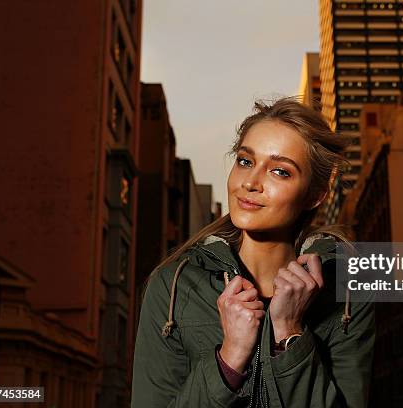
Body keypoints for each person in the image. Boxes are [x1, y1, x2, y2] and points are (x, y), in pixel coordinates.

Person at [131, 97, 375, 408]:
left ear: (315, 195)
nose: (251, 182)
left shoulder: (349, 289)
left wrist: (290, 334)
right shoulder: (174, 285)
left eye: (280, 171)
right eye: (246, 161)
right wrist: (229, 360)